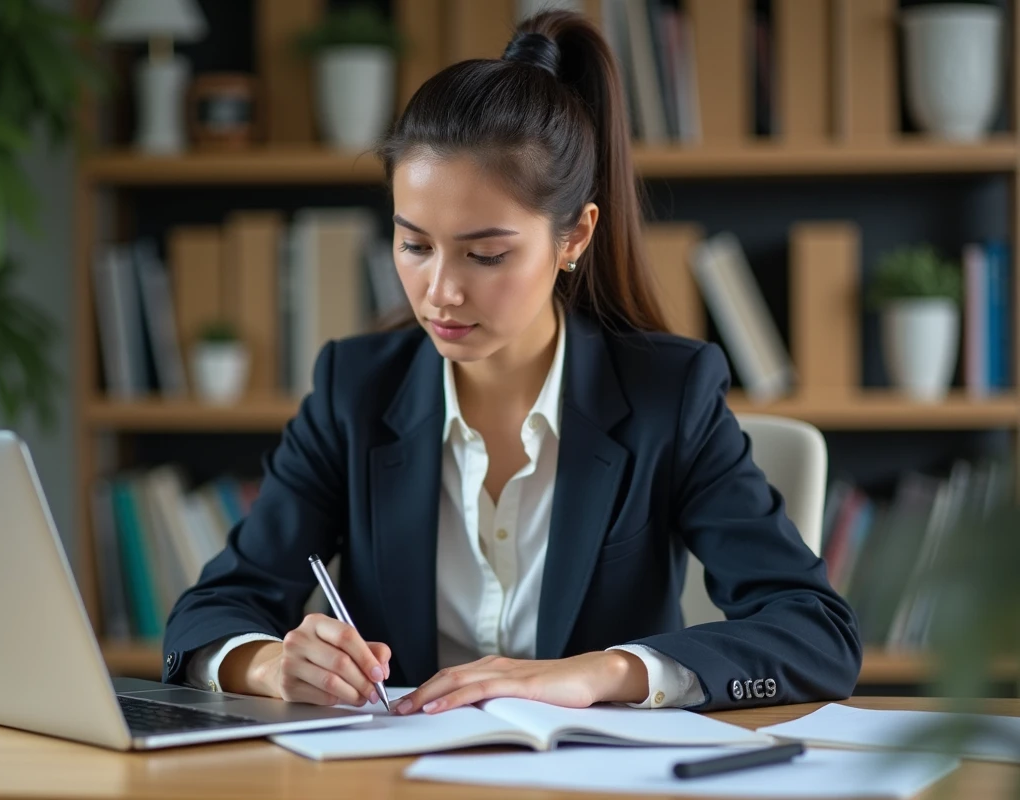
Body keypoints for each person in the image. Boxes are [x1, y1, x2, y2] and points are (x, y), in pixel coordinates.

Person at [161, 9, 861, 715]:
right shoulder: (356, 389)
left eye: (486, 254)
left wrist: (597, 673)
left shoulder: (666, 394)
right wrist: (268, 664)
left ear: (574, 237)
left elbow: (817, 635)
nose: (440, 291)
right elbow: (210, 613)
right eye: (414, 245)